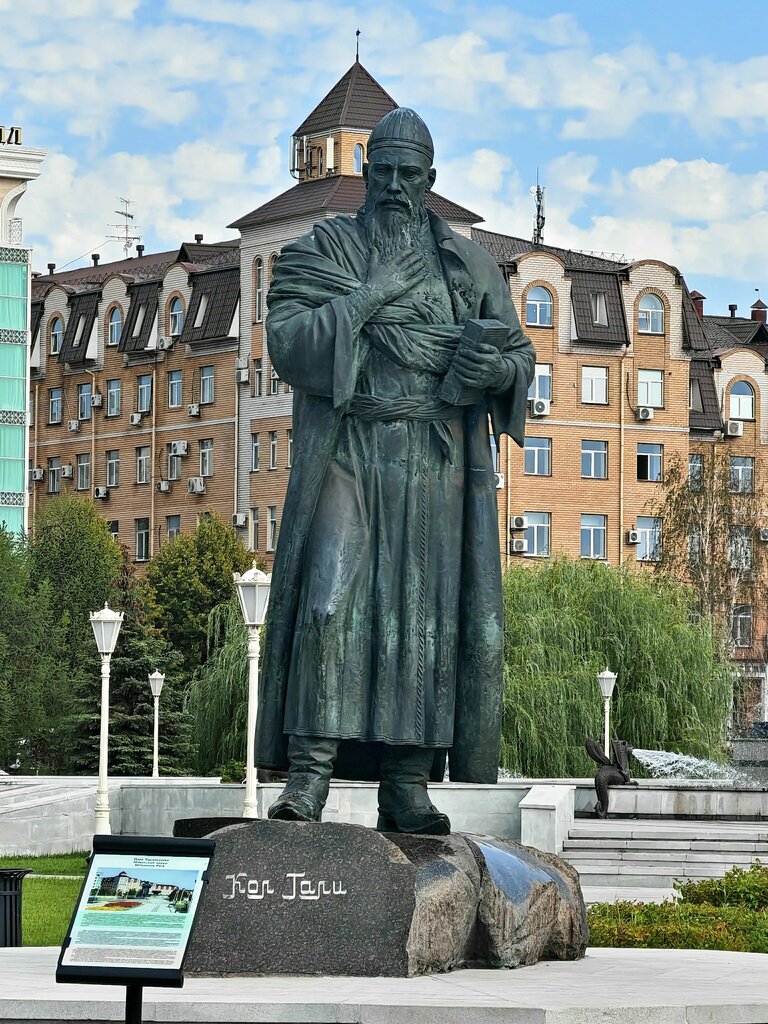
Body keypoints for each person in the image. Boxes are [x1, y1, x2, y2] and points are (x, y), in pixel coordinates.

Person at [256, 107, 535, 834]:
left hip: (432, 460)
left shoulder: (467, 264)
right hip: (350, 448)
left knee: (423, 618)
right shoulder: (325, 247)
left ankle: (407, 785)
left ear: (429, 179)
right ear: (366, 172)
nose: (393, 185)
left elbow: (519, 357)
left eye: (409, 174)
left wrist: (491, 369)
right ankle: (308, 776)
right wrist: (371, 296)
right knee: (329, 602)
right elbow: (287, 340)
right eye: (382, 170)